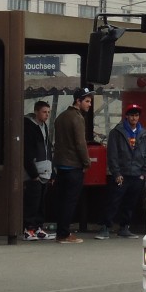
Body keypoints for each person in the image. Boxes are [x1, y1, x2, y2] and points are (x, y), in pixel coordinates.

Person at [98, 104, 146, 239]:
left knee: (130, 203)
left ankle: (124, 227)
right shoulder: (117, 132)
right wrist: (116, 173)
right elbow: (112, 155)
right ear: (126, 116)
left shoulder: (143, 133)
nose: (134, 117)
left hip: (137, 174)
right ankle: (105, 227)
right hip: (122, 174)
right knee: (114, 201)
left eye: (136, 115)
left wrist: (144, 173)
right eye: (132, 115)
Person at [53, 87, 93, 243]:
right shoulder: (77, 118)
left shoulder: (61, 117)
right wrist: (86, 162)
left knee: (61, 201)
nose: (89, 104)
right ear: (78, 101)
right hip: (73, 166)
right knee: (70, 201)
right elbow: (80, 143)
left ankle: (60, 231)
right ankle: (64, 233)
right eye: (87, 101)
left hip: (61, 165)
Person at [22, 100, 54, 241]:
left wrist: (52, 170)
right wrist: (33, 173)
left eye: (48, 112)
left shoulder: (44, 127)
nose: (46, 115)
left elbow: (48, 149)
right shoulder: (29, 127)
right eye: (44, 112)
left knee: (41, 202)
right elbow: (27, 152)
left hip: (45, 169)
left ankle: (38, 227)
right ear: (36, 112)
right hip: (34, 172)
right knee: (32, 202)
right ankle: (28, 229)